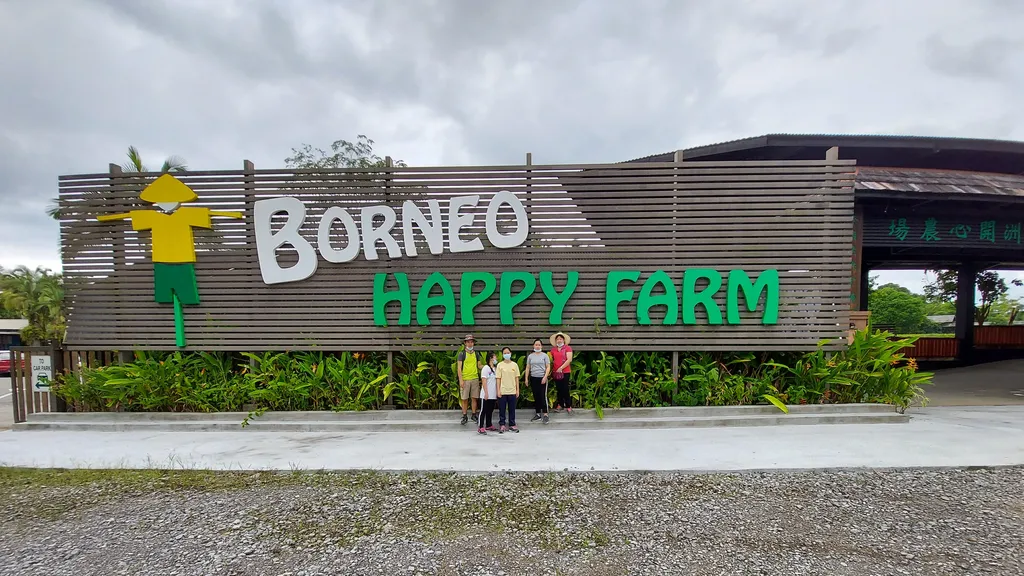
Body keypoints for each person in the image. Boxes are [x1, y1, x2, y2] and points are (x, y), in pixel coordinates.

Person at [456, 334, 483, 425]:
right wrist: (461, 380)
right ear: (465, 343)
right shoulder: (462, 354)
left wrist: (488, 366)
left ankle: (474, 414)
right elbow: (459, 368)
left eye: (471, 342)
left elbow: (479, 366)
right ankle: (464, 415)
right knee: (464, 398)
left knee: (474, 398)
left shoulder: (476, 353)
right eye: (468, 342)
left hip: (475, 378)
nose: (470, 344)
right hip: (465, 378)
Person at [495, 346, 521, 433]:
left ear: (511, 354)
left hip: (512, 391)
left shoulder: (514, 365)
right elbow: (498, 378)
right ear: (502, 355)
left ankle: (512, 425)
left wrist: (517, 390)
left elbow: (516, 378)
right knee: (502, 409)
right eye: (505, 353)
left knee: (512, 409)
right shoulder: (500, 365)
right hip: (502, 391)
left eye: (508, 353)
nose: (506, 354)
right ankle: (502, 425)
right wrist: (498, 390)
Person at [525, 339, 551, 424]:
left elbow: (548, 367)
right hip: (533, 378)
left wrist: (545, 377)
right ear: (533, 346)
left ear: (541, 346)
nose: (537, 346)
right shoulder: (530, 356)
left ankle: (545, 415)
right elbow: (528, 367)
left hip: (542, 378)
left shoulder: (544, 356)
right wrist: (526, 378)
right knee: (536, 396)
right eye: (536, 345)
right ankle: (538, 414)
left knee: (543, 396)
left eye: (539, 345)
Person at [550, 331, 574, 414]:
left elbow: (569, 359)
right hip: (556, 372)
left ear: (563, 340)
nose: (559, 340)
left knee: (565, 388)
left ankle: (568, 405)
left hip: (565, 371)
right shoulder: (553, 350)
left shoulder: (568, 348)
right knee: (559, 389)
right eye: (557, 339)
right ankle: (560, 404)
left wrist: (561, 368)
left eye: (560, 339)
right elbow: (551, 360)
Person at [478, 352, 499, 435]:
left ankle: (489, 425)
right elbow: (484, 381)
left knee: (490, 411)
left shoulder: (495, 369)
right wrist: (486, 393)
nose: (496, 359)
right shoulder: (486, 368)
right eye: (495, 357)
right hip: (486, 394)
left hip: (493, 394)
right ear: (490, 358)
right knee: (483, 410)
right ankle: (480, 426)